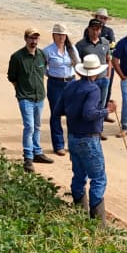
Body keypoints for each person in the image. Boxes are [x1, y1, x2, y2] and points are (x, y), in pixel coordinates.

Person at [58, 54, 116, 222]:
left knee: (79, 175)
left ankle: (79, 213)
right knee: (98, 178)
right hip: (88, 139)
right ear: (95, 73)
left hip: (73, 137)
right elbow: (89, 113)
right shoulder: (93, 89)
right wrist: (107, 111)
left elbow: (58, 110)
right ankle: (97, 222)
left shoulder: (70, 86)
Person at [7, 26, 53, 172]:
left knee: (37, 126)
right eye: (31, 38)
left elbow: (43, 71)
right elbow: (12, 77)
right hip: (25, 97)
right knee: (30, 127)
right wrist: (20, 90)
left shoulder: (42, 55)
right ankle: (28, 157)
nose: (34, 41)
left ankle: (37, 152)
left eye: (36, 38)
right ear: (25, 39)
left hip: (39, 96)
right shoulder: (17, 57)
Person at [43, 23, 80, 156]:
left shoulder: (71, 49)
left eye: (63, 35)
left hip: (70, 82)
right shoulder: (47, 51)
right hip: (55, 84)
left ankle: (72, 143)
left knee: (72, 114)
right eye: (59, 34)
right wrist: (51, 75)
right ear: (53, 35)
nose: (61, 37)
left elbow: (78, 64)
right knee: (56, 113)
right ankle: (58, 145)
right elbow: (43, 67)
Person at [75, 18, 114, 140]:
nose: (95, 32)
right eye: (93, 29)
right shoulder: (81, 45)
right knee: (89, 107)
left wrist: (108, 76)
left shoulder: (105, 43)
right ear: (88, 29)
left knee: (101, 106)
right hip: (89, 81)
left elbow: (108, 60)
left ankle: (98, 130)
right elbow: (76, 63)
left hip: (103, 80)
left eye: (98, 29)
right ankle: (87, 130)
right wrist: (83, 77)